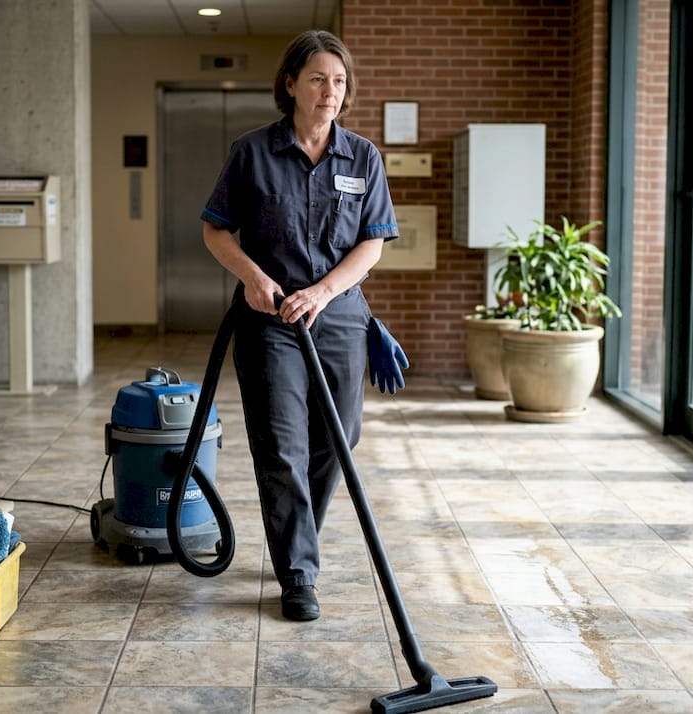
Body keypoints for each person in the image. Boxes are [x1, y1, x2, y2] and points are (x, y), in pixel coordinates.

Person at [200, 30, 400, 621]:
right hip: (271, 318)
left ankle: (296, 536)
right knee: (281, 443)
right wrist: (252, 277)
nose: (329, 91)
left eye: (338, 81)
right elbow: (216, 229)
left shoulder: (363, 157)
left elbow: (372, 243)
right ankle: (298, 573)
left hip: (339, 316)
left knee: (340, 438)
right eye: (317, 79)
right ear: (290, 84)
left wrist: (324, 291)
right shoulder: (252, 152)